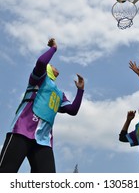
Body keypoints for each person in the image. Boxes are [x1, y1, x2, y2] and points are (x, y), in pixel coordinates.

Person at [0, 38, 84, 173]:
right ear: (48, 69)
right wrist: (53, 48)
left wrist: (80, 90)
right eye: (53, 65)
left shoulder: (59, 94)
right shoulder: (39, 79)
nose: (56, 67)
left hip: (43, 141)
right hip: (22, 131)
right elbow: (41, 62)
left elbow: (73, 110)